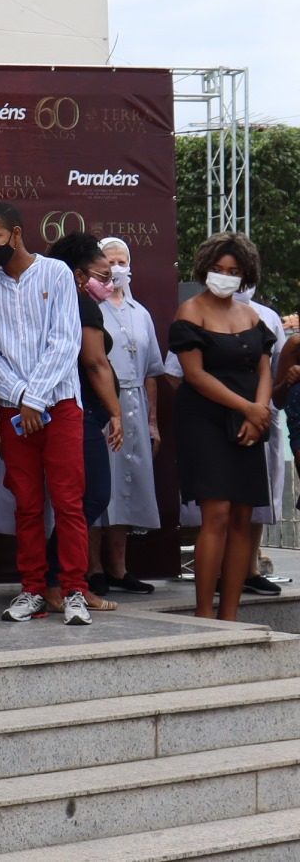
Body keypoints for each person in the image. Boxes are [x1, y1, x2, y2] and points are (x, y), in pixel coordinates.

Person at [0, 202, 92, 626]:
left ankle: (75, 589)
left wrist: (36, 399)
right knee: (26, 504)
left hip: (59, 406)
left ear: (18, 234)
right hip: (14, 409)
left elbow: (65, 342)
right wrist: (22, 397)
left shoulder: (57, 273)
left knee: (68, 502)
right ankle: (32, 590)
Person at [170, 234, 274, 621]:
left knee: (243, 517)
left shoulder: (251, 316)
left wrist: (258, 412)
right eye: (218, 269)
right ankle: (204, 614)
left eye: (233, 272)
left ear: (245, 275)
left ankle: (231, 614)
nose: (225, 277)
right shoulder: (190, 312)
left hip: (250, 420)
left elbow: (264, 368)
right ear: (205, 268)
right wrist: (250, 408)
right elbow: (194, 375)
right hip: (205, 420)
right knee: (216, 513)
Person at [48, 233, 124, 615]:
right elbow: (95, 363)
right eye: (102, 274)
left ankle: (55, 579)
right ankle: (61, 579)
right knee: (89, 497)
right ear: (79, 275)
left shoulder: (57, 300)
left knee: (74, 500)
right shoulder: (82, 305)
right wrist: (115, 412)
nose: (108, 283)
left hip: (62, 411)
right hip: (81, 413)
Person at [95, 236, 164, 593]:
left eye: (123, 261)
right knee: (99, 487)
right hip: (103, 405)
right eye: (110, 261)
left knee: (127, 488)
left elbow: (152, 370)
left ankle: (119, 568)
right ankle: (94, 568)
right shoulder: (92, 307)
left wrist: (152, 422)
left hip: (136, 406)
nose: (117, 267)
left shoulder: (142, 314)